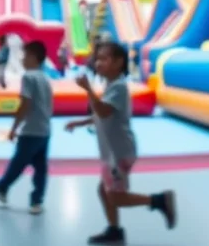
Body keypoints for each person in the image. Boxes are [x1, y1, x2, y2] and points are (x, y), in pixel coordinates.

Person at [65, 42, 176, 244]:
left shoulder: (118, 87)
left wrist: (88, 90)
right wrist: (81, 122)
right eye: (97, 58)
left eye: (104, 59)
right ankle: (114, 230)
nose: (98, 63)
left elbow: (103, 111)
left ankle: (159, 200)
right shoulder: (111, 85)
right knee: (104, 190)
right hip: (112, 152)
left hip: (119, 153)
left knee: (115, 197)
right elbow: (104, 115)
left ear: (118, 62)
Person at [0, 40, 53, 214]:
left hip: (31, 129)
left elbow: (25, 103)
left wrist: (14, 127)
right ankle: (36, 201)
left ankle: (2, 187)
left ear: (35, 57)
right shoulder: (45, 78)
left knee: (18, 162)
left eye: (25, 55)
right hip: (44, 129)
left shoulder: (28, 77)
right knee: (40, 167)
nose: (22, 59)